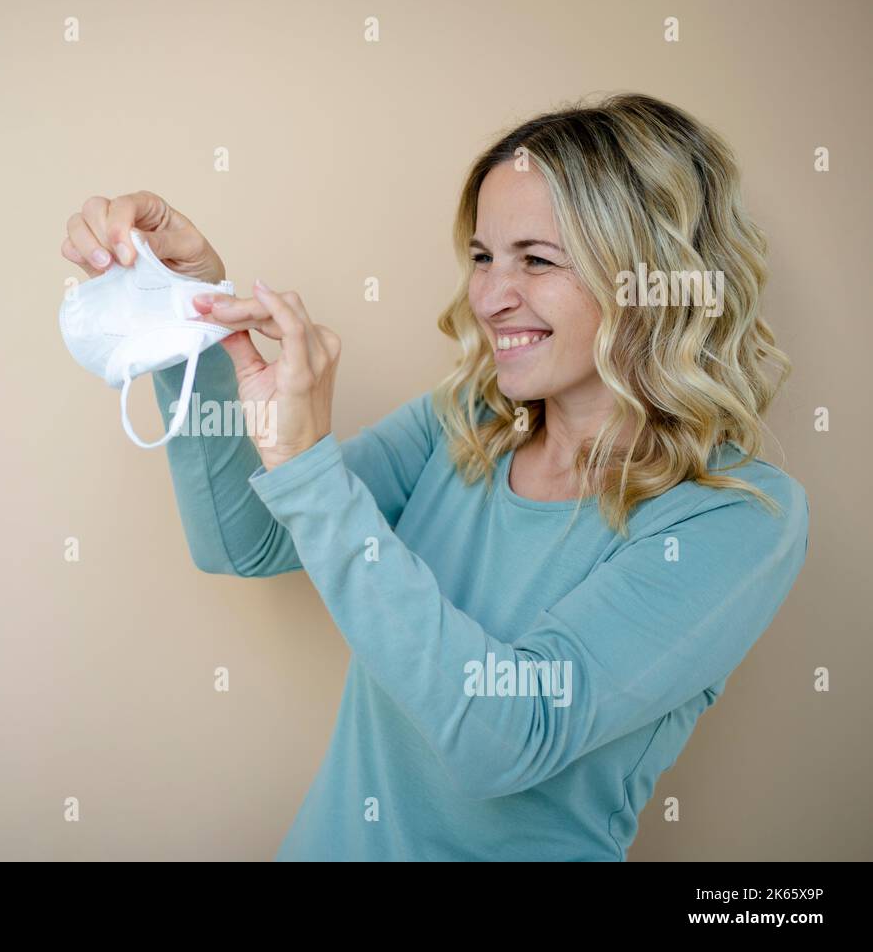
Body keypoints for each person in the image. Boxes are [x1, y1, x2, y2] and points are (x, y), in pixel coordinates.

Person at [59, 92, 810, 861]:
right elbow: (244, 543)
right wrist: (187, 315)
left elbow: (506, 741)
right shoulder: (463, 425)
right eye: (483, 257)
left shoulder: (735, 516)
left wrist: (310, 469)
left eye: (537, 260)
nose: (488, 297)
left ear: (651, 278)